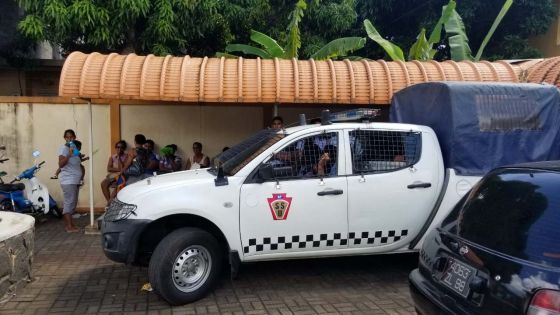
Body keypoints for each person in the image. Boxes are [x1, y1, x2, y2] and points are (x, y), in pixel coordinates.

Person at [57, 129, 81, 233]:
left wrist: (82, 157)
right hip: (68, 180)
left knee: (73, 203)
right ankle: (68, 226)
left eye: (71, 137)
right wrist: (69, 155)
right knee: (69, 202)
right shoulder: (64, 149)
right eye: (67, 137)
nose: (69, 139)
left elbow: (75, 161)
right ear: (65, 138)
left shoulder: (74, 147)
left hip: (74, 179)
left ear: (74, 137)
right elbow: (61, 164)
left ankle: (71, 224)